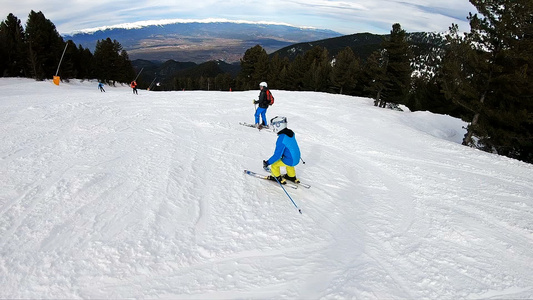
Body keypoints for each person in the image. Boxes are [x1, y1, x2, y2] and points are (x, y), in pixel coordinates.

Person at [263, 116, 301, 184]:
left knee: (274, 165)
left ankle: (276, 177)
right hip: (296, 158)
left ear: (278, 125)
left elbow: (277, 155)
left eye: (274, 125)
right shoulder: (290, 133)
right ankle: (291, 176)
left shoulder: (281, 139)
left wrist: (267, 163)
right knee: (289, 164)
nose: (273, 128)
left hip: (290, 160)